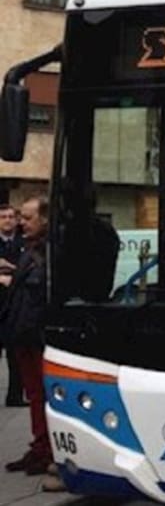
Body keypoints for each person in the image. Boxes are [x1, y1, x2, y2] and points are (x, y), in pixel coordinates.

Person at [0, 196, 64, 491]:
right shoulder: (31, 248)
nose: (21, 222)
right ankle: (39, 447)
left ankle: (47, 450)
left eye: (27, 217)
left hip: (36, 335)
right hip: (22, 334)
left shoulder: (51, 252)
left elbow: (39, 291)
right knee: (35, 395)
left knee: (43, 396)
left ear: (45, 219)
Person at [0, 204, 25, 407]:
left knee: (16, 355)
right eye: (3, 217)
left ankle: (15, 396)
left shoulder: (23, 243)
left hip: (15, 305)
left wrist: (10, 269)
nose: (7, 220)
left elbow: (29, 269)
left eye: (10, 216)